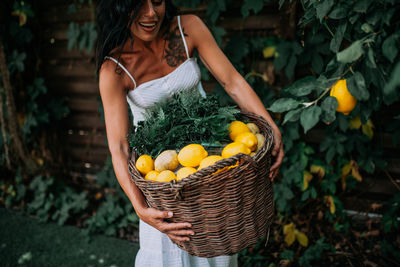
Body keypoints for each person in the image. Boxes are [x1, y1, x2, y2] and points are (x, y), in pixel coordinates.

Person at [96, 0, 284, 266]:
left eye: (158, 1)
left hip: (211, 162)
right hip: (163, 181)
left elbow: (233, 82)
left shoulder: (188, 28)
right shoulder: (113, 69)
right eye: (139, 3)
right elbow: (120, 147)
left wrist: (271, 127)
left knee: (217, 250)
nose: (151, 13)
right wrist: (141, 209)